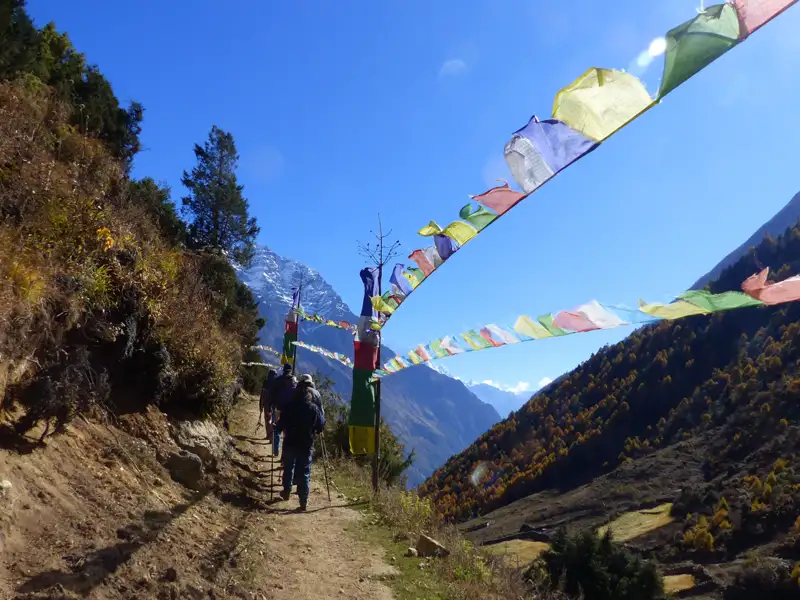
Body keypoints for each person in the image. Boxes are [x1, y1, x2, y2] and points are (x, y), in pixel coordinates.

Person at [276, 373, 325, 511]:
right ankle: (303, 501)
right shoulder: (313, 408)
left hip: (290, 441)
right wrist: (317, 430)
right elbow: (321, 424)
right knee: (304, 471)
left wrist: (277, 430)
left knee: (289, 466)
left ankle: (286, 491)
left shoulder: (289, 406)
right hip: (306, 443)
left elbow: (281, 424)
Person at [268, 363, 297, 457]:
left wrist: (270, 406)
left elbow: (271, 394)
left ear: (283, 370)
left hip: (278, 408)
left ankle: (275, 451)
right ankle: (284, 456)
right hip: (290, 411)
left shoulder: (277, 380)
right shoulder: (294, 382)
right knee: (287, 432)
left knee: (276, 429)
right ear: (291, 370)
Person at [258, 369, 277, 439]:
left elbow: (262, 395)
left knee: (267, 419)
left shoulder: (266, 382)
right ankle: (272, 436)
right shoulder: (277, 383)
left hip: (267, 404)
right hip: (275, 405)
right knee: (273, 420)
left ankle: (269, 435)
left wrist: (261, 405)